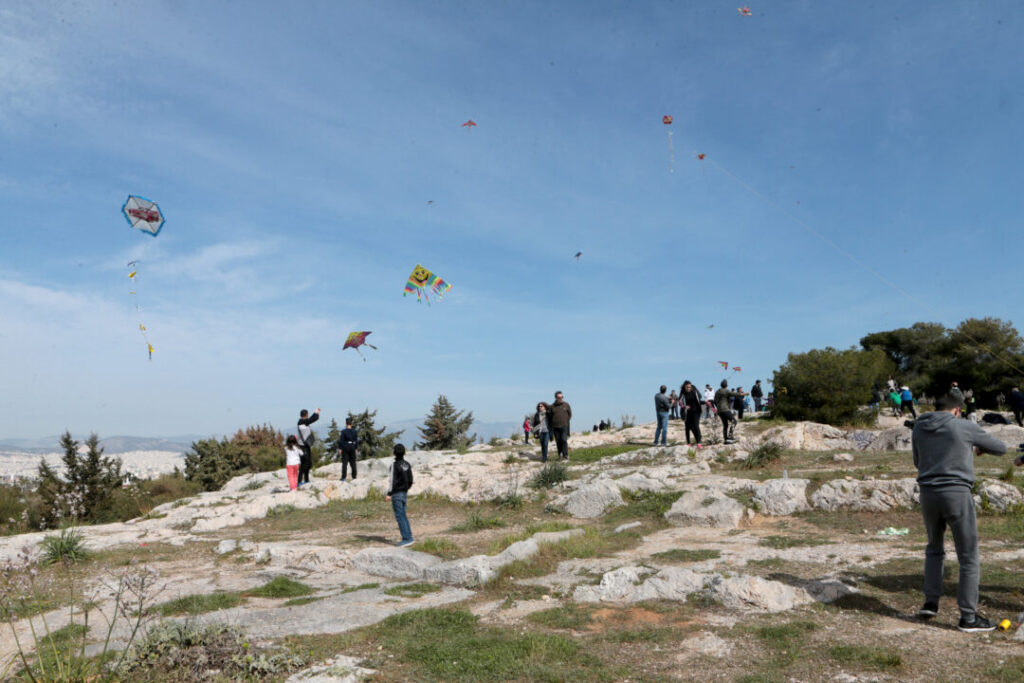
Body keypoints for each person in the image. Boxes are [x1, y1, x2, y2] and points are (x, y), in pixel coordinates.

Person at [913, 394, 1009, 632]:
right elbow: (1000, 448)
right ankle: (968, 616)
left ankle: (930, 602)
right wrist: (974, 446)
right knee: (968, 556)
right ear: (957, 410)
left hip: (927, 493)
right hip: (955, 492)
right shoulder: (964, 426)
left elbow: (917, 460)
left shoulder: (918, 427)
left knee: (934, 549)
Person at [386, 443, 415, 547]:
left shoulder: (394, 465)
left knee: (400, 516)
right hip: (404, 493)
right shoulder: (407, 464)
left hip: (397, 493)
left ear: (394, 453)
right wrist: (406, 489)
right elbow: (411, 480)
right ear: (405, 453)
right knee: (403, 515)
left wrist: (389, 494)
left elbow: (392, 481)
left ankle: (406, 538)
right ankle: (409, 536)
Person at [296, 408, 320, 487]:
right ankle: (299, 481)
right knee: (304, 464)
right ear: (306, 415)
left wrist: (316, 414)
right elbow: (312, 419)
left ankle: (306, 480)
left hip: (306, 446)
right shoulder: (301, 422)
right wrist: (316, 412)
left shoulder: (304, 422)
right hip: (302, 446)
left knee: (308, 463)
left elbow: (312, 419)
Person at [549, 391, 572, 460]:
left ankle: (565, 455)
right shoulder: (552, 406)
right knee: (558, 441)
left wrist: (566, 421)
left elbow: (570, 414)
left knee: (564, 440)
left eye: (562, 397)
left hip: (564, 426)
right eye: (559, 397)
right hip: (555, 427)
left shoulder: (566, 405)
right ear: (556, 398)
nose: (561, 398)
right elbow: (550, 417)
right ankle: (560, 454)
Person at [679, 380, 703, 446]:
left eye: (690, 387)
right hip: (687, 412)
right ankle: (689, 442)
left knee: (696, 425)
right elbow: (680, 402)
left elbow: (699, 397)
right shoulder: (683, 392)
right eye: (687, 387)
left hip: (696, 410)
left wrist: (703, 403)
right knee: (688, 427)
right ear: (684, 387)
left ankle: (699, 442)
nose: (689, 388)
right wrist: (684, 406)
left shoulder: (694, 390)